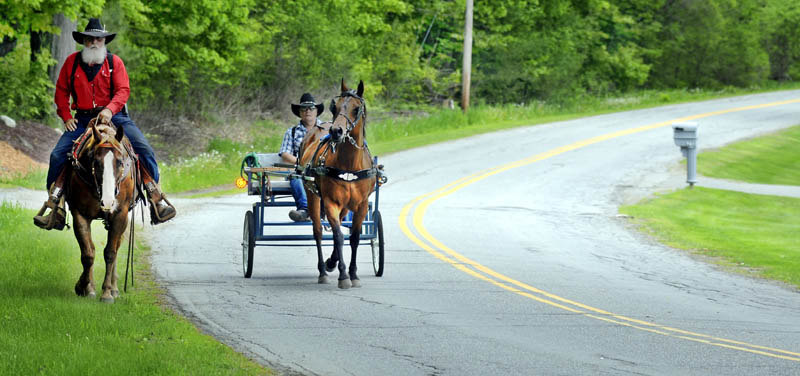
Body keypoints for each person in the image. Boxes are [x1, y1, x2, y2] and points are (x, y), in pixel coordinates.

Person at [33, 18, 176, 230]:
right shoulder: (71, 63)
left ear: (104, 41)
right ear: (83, 40)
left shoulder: (114, 62)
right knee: (57, 155)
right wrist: (66, 116)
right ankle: (57, 204)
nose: (94, 43)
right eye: (90, 39)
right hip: (82, 120)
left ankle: (155, 196)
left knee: (144, 149)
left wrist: (109, 110)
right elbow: (61, 92)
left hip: (115, 116)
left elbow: (123, 91)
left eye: (98, 39)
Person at [278, 93, 327, 222]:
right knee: (296, 178)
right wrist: (302, 163)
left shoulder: (327, 129)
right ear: (300, 113)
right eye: (304, 109)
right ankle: (304, 210)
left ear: (317, 111)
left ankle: (328, 210)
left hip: (323, 171)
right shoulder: (292, 132)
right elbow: (285, 153)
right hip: (301, 171)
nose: (308, 111)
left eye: (311, 108)